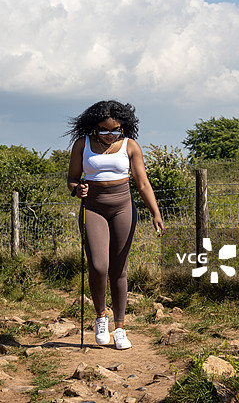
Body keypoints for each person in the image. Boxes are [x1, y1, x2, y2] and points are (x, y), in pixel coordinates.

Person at [66, 100, 165, 349]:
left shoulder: (130, 145)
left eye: (115, 130)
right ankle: (101, 317)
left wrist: (155, 213)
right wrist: (77, 189)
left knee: (119, 269)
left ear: (123, 127)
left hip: (123, 208)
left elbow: (142, 183)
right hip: (93, 208)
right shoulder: (82, 144)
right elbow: (71, 179)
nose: (110, 135)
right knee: (98, 266)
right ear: (94, 126)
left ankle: (120, 327)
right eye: (104, 130)